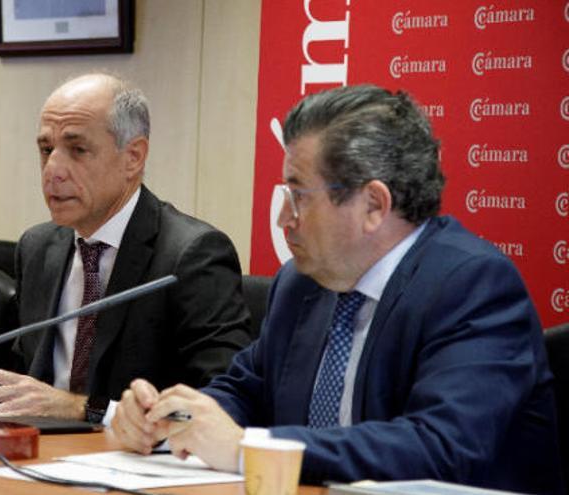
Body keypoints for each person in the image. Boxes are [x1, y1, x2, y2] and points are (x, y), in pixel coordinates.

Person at [111, 85, 563, 493]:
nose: (283, 219)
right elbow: (245, 391)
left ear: (373, 205)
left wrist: (250, 448)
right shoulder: (302, 283)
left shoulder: (472, 285)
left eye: (299, 196)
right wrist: (171, 419)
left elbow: (439, 446)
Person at [0, 73, 251, 424]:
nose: (52, 170)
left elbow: (222, 405)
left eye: (77, 150)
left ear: (133, 156)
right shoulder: (39, 247)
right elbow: (28, 379)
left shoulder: (191, 256)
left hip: (134, 465)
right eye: (46, 150)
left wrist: (85, 408)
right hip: (37, 456)